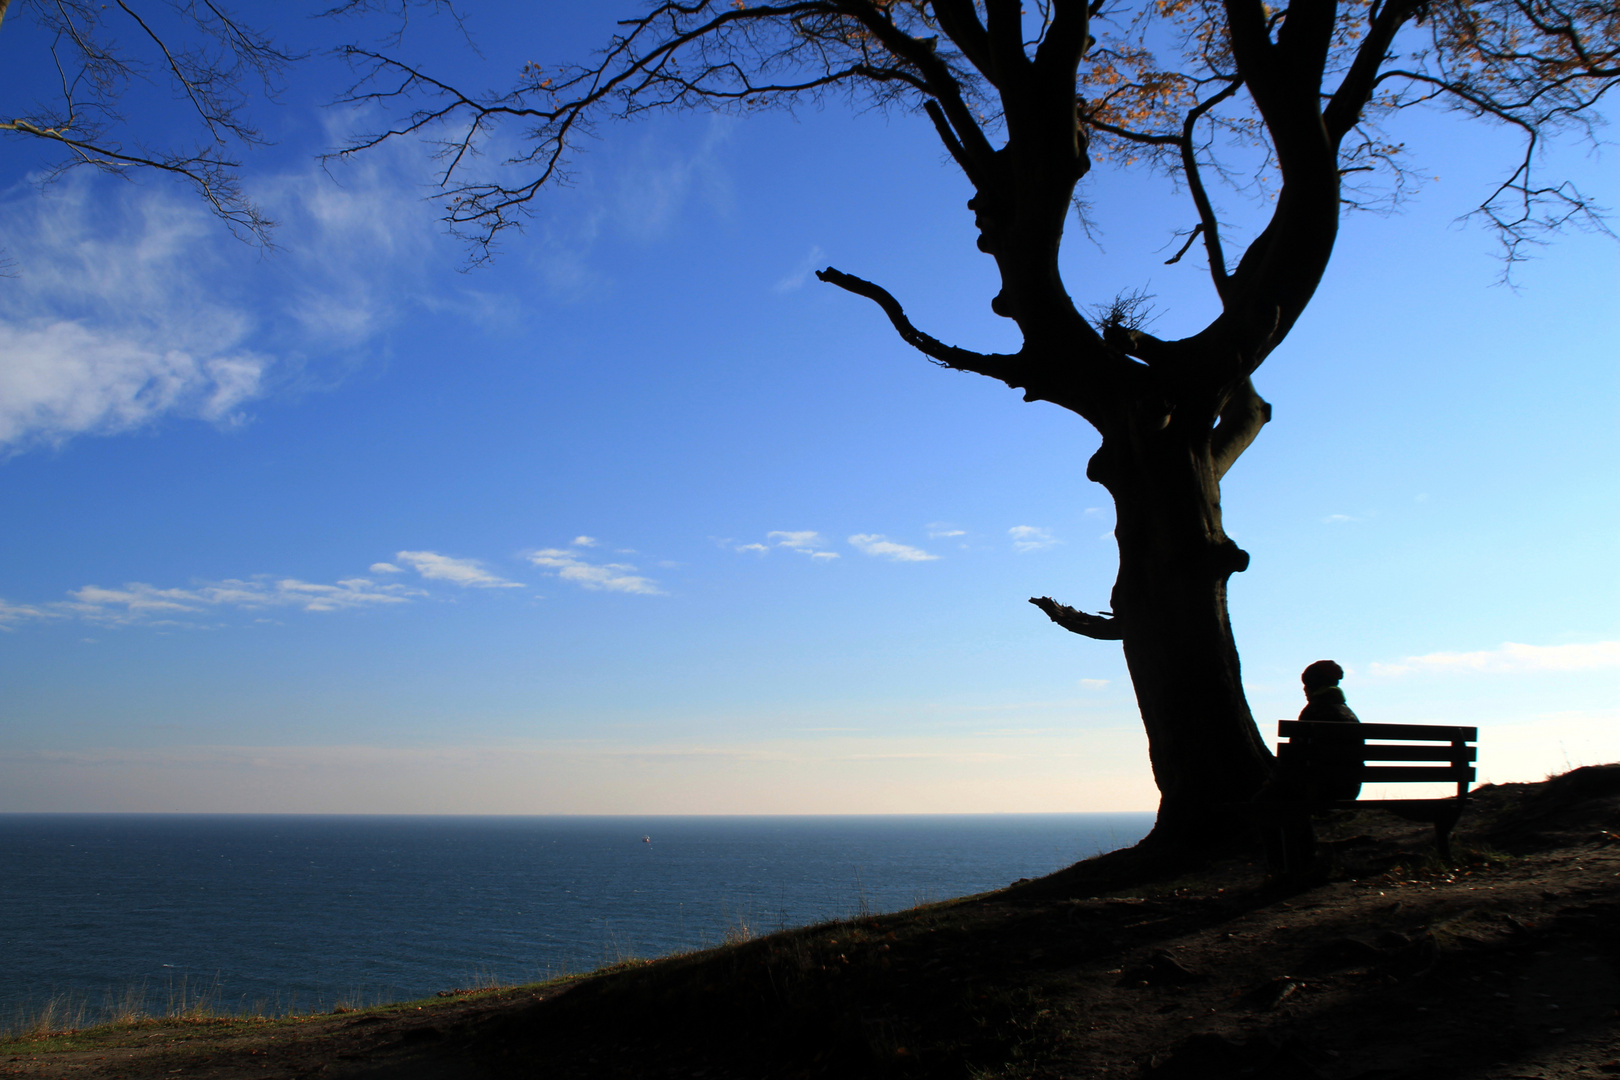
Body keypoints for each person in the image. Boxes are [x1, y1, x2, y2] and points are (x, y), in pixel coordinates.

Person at [1296, 660, 1362, 802]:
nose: (1304, 689)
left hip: (1318, 790)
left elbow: (1294, 756)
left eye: (1307, 685)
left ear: (1313, 686)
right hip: (1350, 789)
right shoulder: (1349, 714)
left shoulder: (1313, 712)